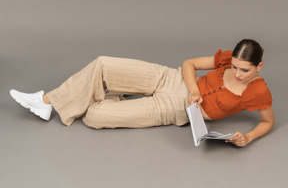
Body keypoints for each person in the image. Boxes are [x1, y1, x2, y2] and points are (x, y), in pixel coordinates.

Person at [10, 39, 274, 147]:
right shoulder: (227, 58)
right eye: (235, 67)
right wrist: (194, 88)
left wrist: (248, 137)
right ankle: (46, 101)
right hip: (169, 77)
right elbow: (189, 64)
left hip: (174, 109)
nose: (237, 73)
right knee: (102, 63)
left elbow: (267, 122)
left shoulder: (259, 91)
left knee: (93, 117)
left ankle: (96, 95)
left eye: (245, 70)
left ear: (259, 66)